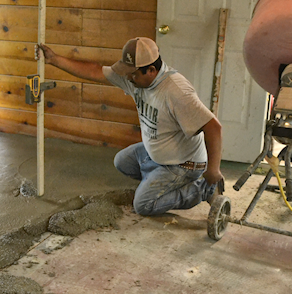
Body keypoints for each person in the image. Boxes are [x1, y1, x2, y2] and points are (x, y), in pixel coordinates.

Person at [36, 37, 224, 217]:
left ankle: (203, 191)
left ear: (151, 70)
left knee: (143, 205)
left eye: (132, 73)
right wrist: (54, 60)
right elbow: (95, 71)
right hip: (158, 155)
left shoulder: (176, 92)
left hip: (183, 164)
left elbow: (213, 127)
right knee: (122, 161)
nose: (128, 78)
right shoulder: (135, 77)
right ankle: (158, 182)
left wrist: (213, 171)